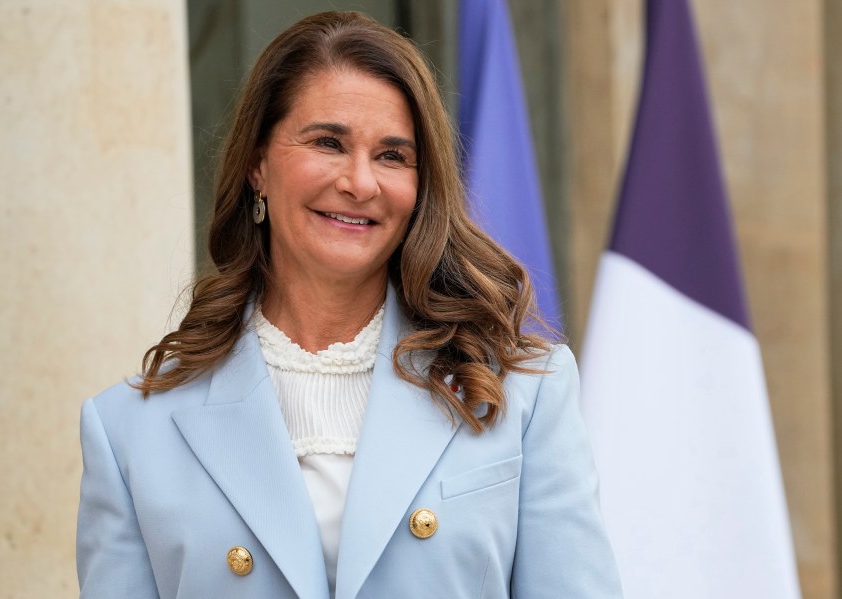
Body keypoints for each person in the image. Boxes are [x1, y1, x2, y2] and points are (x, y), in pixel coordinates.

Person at [76, 10, 622, 599]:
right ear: (258, 163)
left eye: (392, 156)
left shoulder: (524, 394)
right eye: (328, 143)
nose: (361, 183)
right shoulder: (130, 432)